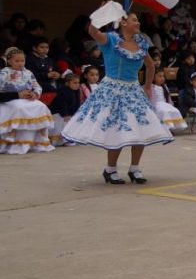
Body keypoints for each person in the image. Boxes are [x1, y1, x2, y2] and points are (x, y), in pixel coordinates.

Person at [62, 12, 173, 182]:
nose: (138, 23)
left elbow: (150, 66)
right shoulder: (111, 40)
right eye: (134, 20)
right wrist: (101, 14)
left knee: (141, 129)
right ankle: (110, 169)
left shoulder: (142, 42)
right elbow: (92, 31)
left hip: (134, 90)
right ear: (123, 22)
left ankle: (134, 168)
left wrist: (148, 86)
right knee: (116, 130)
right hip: (112, 89)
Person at [0, 46, 55, 154]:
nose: (20, 63)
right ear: (9, 61)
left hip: (28, 98)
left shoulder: (28, 73)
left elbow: (37, 86)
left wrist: (35, 94)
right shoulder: (3, 73)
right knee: (19, 107)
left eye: (22, 60)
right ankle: (14, 138)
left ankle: (38, 141)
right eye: (17, 61)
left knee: (40, 106)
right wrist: (17, 95)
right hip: (10, 100)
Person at [49, 70, 85, 145]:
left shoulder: (77, 91)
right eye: (74, 83)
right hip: (58, 113)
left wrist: (75, 114)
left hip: (68, 113)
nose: (77, 85)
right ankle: (61, 140)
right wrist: (65, 115)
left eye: (78, 83)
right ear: (67, 83)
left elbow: (77, 104)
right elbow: (62, 105)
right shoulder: (63, 92)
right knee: (64, 122)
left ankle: (70, 139)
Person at [25, 37, 60, 103]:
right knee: (54, 90)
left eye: (47, 47)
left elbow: (56, 70)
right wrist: (46, 75)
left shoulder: (49, 59)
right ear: (34, 48)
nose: (45, 49)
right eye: (42, 47)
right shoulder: (29, 59)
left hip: (50, 82)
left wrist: (57, 74)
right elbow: (30, 75)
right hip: (37, 84)